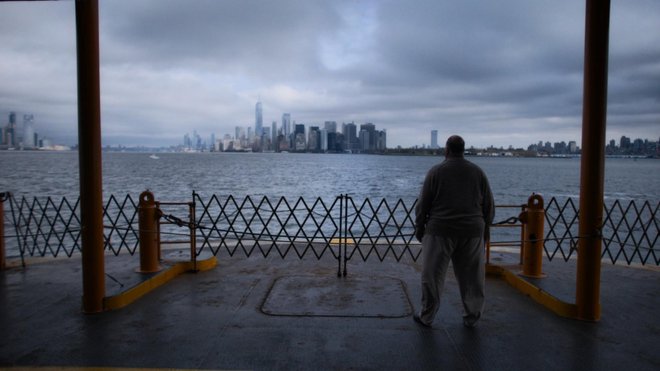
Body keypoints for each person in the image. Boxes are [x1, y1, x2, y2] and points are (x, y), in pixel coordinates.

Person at [413, 135, 494, 328]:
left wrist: (419, 227)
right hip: (472, 232)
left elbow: (423, 204)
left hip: (440, 230)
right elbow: (489, 205)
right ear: (463, 150)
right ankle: (472, 315)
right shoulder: (478, 172)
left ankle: (427, 315)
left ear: (447, 150)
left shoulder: (436, 172)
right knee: (472, 278)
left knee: (432, 276)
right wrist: (486, 227)